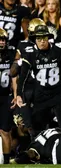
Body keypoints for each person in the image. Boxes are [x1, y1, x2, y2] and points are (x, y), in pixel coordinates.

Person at [16, 25, 61, 136]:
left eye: (44, 38)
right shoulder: (30, 53)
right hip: (41, 94)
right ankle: (38, 151)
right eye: (38, 39)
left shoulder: (59, 49)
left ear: (48, 38)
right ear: (35, 40)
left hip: (59, 92)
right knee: (37, 128)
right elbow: (23, 76)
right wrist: (19, 94)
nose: (42, 42)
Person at [10, 18, 46, 138]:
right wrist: (16, 94)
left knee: (42, 121)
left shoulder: (48, 44)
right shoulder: (23, 45)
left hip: (44, 87)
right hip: (27, 87)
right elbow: (13, 72)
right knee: (25, 125)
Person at [0, 28, 16, 164]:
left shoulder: (11, 55)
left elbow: (15, 78)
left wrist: (16, 95)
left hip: (5, 97)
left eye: (3, 39)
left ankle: (6, 161)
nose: (1, 42)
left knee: (5, 131)